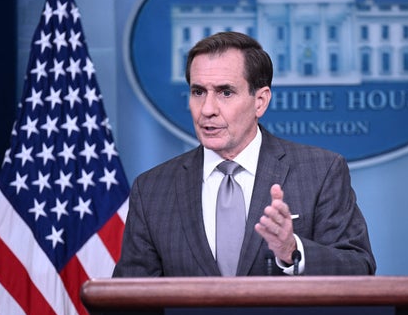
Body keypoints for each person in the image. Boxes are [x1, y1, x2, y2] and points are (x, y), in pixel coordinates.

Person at [113, 31, 375, 277]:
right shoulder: (152, 189)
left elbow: (358, 268)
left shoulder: (320, 172)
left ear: (260, 101)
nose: (207, 109)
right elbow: (129, 299)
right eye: (198, 92)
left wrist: (291, 250)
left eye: (225, 92)